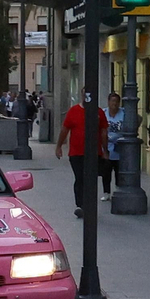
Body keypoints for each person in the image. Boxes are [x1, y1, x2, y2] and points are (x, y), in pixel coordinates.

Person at [54, 92, 108, 220]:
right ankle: (81, 205)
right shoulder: (74, 111)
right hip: (76, 153)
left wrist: (105, 150)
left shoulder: (99, 112)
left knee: (91, 179)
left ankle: (89, 205)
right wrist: (59, 146)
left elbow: (104, 132)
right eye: (85, 95)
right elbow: (65, 129)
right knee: (80, 178)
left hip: (94, 153)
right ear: (82, 96)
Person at [100, 91, 124, 201]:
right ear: (108, 102)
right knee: (106, 171)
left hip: (119, 148)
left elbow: (137, 118)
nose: (114, 104)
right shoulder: (103, 113)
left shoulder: (124, 113)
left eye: (117, 101)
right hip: (107, 147)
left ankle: (119, 190)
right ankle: (106, 192)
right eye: (112, 101)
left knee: (119, 171)